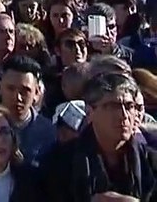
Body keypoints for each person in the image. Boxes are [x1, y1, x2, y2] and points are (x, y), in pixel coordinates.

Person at [42, 72, 157, 201]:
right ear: (90, 112)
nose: (124, 115)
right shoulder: (60, 161)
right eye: (113, 106)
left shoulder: (151, 162)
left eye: (129, 106)